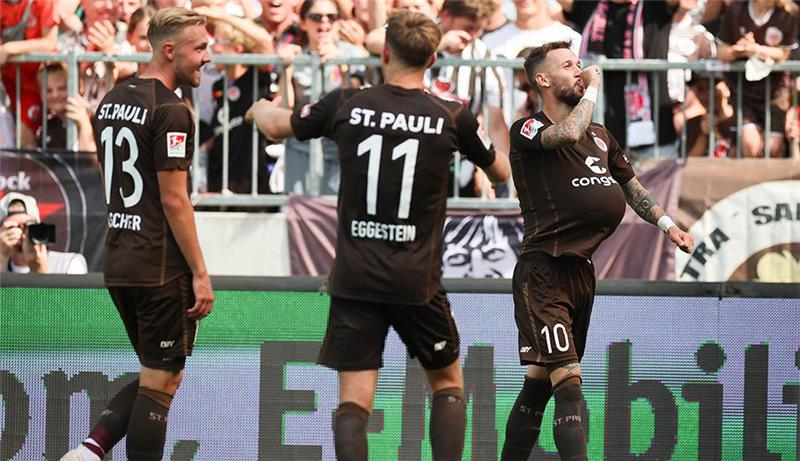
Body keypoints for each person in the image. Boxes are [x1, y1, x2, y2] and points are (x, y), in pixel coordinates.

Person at [246, 9, 510, 460]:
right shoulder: (452, 116)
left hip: (356, 278)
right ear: (431, 60)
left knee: (353, 402)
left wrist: (258, 107)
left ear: (385, 52)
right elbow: (500, 169)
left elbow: (275, 125)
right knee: (446, 384)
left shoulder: (347, 102)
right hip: (417, 280)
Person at [501, 41, 693, 461]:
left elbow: (631, 186)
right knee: (569, 385)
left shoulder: (602, 137)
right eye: (568, 66)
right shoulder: (527, 130)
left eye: (580, 64)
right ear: (542, 79)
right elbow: (567, 131)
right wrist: (592, 90)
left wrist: (667, 224)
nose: (580, 71)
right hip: (544, 272)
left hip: (581, 275)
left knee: (538, 385)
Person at [61, 7, 214, 461]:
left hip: (120, 257)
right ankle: (94, 448)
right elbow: (174, 200)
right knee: (163, 382)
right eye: (200, 48)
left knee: (160, 374)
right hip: (158, 264)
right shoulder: (171, 110)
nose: (208, 57)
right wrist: (201, 272)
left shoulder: (113, 98)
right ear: (170, 50)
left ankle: (91, 449)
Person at [716, 0, 798, 157]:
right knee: (750, 145)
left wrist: (757, 50)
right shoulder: (736, 10)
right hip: (743, 92)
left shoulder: (788, 14)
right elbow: (721, 52)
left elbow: (785, 54)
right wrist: (737, 50)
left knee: (774, 148)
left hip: (775, 92)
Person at [0, 0, 60, 149]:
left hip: (34, 85)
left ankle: (27, 173)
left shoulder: (44, 2)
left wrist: (9, 49)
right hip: (6, 83)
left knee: (25, 138)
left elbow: (50, 42)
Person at [0, 192, 88, 274]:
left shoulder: (68, 264)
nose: (22, 236)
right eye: (11, 228)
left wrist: (40, 270)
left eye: (27, 227)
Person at [36, 63, 97, 152]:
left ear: (80, 86)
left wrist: (84, 124)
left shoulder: (96, 120)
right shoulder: (47, 126)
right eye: (48, 90)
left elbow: (89, 163)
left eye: (62, 88)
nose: (55, 95)